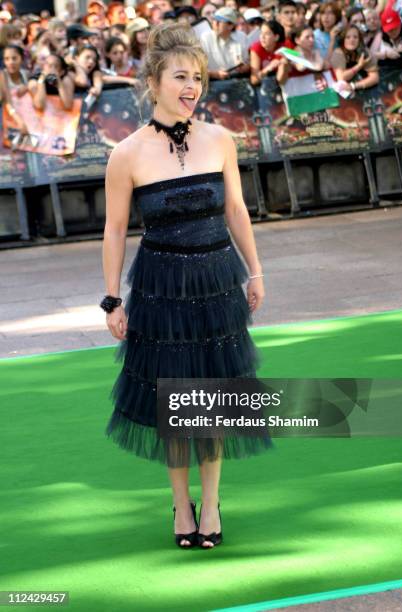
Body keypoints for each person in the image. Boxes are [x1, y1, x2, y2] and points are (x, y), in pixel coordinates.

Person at [102, 22, 272, 550]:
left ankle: (213, 500)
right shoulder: (125, 154)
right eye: (180, 76)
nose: (191, 86)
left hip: (218, 280)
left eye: (197, 77)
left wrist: (257, 269)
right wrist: (111, 298)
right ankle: (181, 505)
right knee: (174, 401)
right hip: (159, 287)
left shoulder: (221, 139)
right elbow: (114, 229)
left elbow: (237, 210)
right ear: (153, 81)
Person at [200, 7, 250, 79]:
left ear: (230, 25)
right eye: (214, 20)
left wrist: (245, 68)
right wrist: (214, 74)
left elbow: (249, 63)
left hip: (238, 79)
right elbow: (197, 69)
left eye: (219, 21)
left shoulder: (242, 37)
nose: (215, 24)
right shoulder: (205, 38)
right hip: (213, 82)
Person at [331, 24, 379, 93]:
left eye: (355, 37)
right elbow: (341, 78)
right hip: (344, 94)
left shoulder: (364, 51)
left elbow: (375, 78)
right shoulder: (338, 53)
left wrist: (353, 86)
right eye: (348, 37)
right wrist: (359, 66)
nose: (352, 40)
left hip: (361, 88)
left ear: (359, 40)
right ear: (343, 40)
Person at [249, 19, 286, 85]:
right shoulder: (256, 48)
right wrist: (267, 70)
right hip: (263, 85)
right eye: (261, 33)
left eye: (267, 34)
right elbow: (254, 80)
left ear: (276, 37)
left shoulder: (283, 47)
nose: (262, 37)